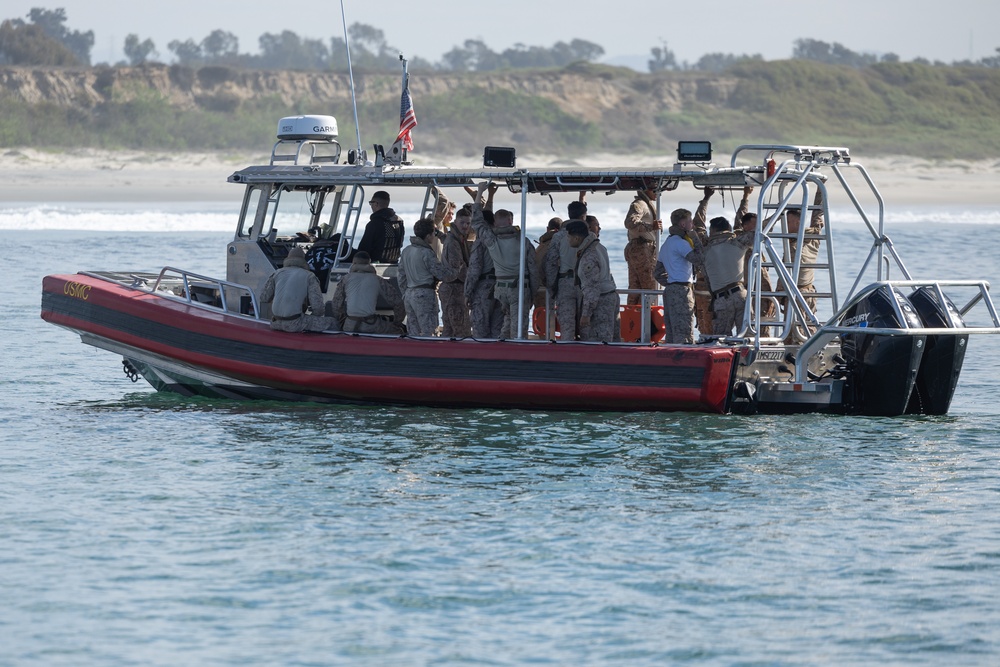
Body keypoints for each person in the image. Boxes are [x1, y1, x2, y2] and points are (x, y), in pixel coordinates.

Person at [470, 182, 540, 339]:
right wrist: (533, 293)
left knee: (507, 321)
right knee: (519, 326)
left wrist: (480, 192)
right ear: (510, 221)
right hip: (519, 288)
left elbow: (477, 222)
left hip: (500, 289)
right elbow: (533, 269)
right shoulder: (523, 241)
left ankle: (501, 346)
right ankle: (517, 353)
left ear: (495, 223)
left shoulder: (491, 240)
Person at [397, 218, 458, 336]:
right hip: (424, 294)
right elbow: (441, 274)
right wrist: (457, 270)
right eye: (433, 234)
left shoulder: (406, 251)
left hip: (409, 293)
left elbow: (401, 276)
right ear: (429, 235)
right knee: (429, 331)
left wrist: (406, 292)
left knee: (413, 331)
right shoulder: (426, 253)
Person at [654, 207, 704, 344]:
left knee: (671, 331)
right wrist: (695, 237)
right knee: (684, 331)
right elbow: (700, 259)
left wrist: (671, 282)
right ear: (683, 224)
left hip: (670, 289)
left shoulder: (666, 244)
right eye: (690, 222)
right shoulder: (681, 244)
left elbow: (657, 273)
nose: (692, 224)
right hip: (682, 289)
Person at [566, 220, 620, 343]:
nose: (567, 240)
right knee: (609, 337)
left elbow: (592, 288)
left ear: (576, 238)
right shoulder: (599, 247)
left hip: (600, 301)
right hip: (609, 295)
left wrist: (586, 314)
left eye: (568, 237)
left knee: (597, 339)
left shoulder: (588, 257)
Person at [259, 246, 336, 332]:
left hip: (275, 323)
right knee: (332, 322)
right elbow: (318, 309)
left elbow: (263, 297)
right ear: (304, 260)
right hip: (295, 323)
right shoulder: (309, 276)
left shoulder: (276, 273)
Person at [543, 199, 588, 341]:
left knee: (567, 326)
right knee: (586, 325)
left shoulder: (559, 236)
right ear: (583, 217)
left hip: (564, 282)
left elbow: (550, 262)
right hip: (584, 283)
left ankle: (567, 354)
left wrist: (552, 286)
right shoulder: (589, 236)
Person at [329, 251, 405, 334]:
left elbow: (336, 305)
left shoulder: (345, 279)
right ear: (369, 263)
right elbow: (398, 303)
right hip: (371, 325)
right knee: (400, 331)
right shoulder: (378, 280)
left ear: (353, 262)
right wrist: (397, 322)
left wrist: (343, 320)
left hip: (349, 325)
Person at [702, 216, 754, 336]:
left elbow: (706, 279)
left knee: (721, 339)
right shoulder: (738, 242)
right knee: (747, 337)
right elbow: (760, 232)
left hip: (721, 299)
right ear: (729, 228)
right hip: (741, 295)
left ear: (713, 231)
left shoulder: (704, 250)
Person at [734, 187, 778, 328]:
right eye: (755, 223)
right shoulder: (742, 240)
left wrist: (746, 196)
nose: (758, 226)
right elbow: (762, 226)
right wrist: (778, 213)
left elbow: (741, 215)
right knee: (756, 325)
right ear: (747, 226)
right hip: (751, 291)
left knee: (760, 323)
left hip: (758, 290)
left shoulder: (746, 239)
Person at [784, 188, 826, 314]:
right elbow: (818, 214)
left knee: (794, 330)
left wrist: (779, 295)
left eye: (787, 222)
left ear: (797, 223)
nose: (784, 225)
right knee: (809, 329)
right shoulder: (814, 236)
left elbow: (786, 274)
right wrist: (819, 189)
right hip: (809, 291)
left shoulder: (794, 244)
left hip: (797, 293)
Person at [622, 188, 662, 306]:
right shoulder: (640, 204)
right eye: (653, 190)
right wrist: (650, 226)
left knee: (636, 287)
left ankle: (634, 318)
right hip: (642, 249)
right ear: (645, 189)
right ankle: (646, 319)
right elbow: (630, 222)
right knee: (650, 287)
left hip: (641, 248)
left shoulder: (645, 204)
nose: (656, 193)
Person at [438, 206, 473, 337]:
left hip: (452, 287)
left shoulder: (456, 237)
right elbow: (458, 266)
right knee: (460, 327)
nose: (465, 226)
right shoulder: (453, 241)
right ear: (456, 222)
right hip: (454, 288)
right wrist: (471, 283)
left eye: (468, 223)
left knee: (450, 325)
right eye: (462, 223)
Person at [355, 190, 405, 263]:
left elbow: (364, 248)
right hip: (393, 262)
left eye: (371, 203)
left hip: (374, 262)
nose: (371, 206)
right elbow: (400, 243)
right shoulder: (399, 222)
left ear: (376, 204)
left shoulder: (374, 224)